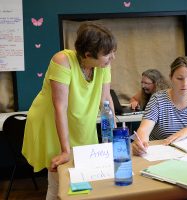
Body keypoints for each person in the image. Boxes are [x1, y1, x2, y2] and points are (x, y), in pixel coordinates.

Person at [22, 22, 117, 200]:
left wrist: (116, 135)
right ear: (88, 54)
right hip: (52, 122)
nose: (113, 57)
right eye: (107, 54)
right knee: (60, 182)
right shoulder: (62, 61)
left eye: (113, 52)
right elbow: (60, 107)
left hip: (80, 121)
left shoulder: (103, 65)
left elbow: (105, 101)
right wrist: (65, 151)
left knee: (84, 181)